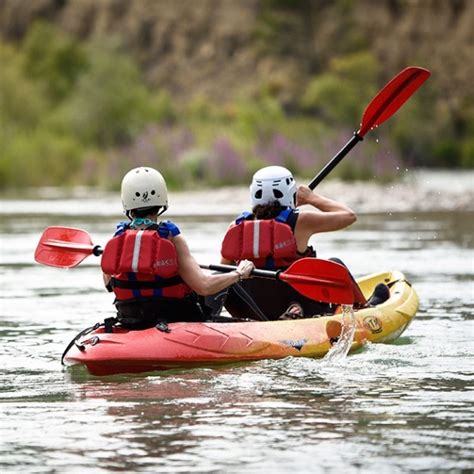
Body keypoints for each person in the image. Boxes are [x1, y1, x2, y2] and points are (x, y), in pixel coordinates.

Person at [101, 166, 255, 329]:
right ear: (162, 197)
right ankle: (265, 326)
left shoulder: (117, 238)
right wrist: (239, 273)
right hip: (176, 319)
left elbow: (109, 285)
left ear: (126, 201)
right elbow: (204, 286)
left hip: (131, 320)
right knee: (221, 276)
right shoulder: (171, 237)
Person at [220, 165, 380, 320]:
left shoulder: (236, 227)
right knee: (334, 263)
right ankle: (364, 311)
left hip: (254, 310)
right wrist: (311, 198)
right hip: (301, 305)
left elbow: (223, 273)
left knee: (224, 278)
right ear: (290, 192)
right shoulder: (301, 221)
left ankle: (211, 318)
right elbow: (349, 216)